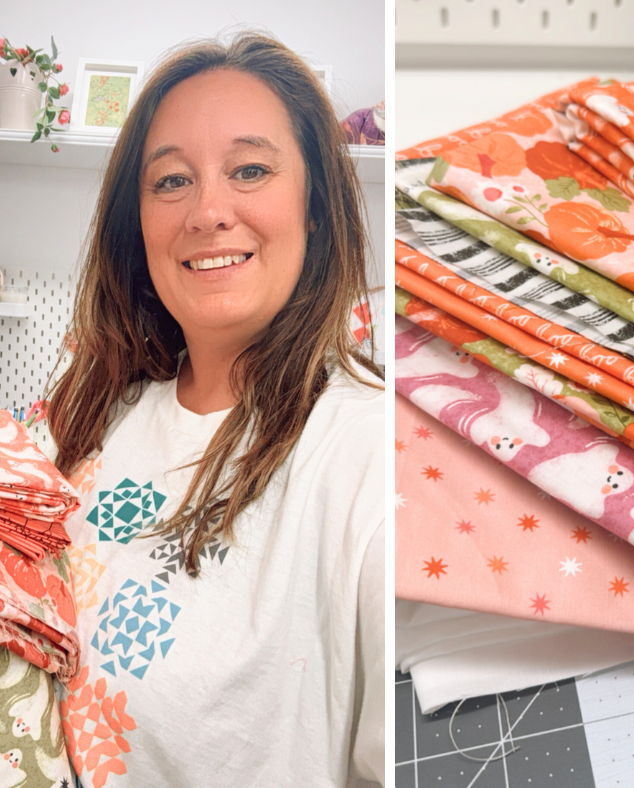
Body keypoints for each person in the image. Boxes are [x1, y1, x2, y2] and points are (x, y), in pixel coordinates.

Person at [46, 32, 384, 787]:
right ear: (137, 223)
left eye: (251, 170)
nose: (207, 211)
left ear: (317, 208)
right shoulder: (97, 415)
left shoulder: (367, 455)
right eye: (170, 182)